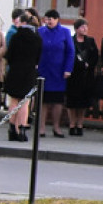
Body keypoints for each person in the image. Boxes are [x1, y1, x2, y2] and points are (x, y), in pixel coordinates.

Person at [4, 11, 42, 142]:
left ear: (24, 23)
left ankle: (12, 129)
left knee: (14, 100)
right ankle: (21, 129)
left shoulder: (16, 36)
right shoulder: (37, 38)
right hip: (29, 71)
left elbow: (9, 55)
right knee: (25, 101)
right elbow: (38, 57)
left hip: (15, 70)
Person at [37, 9, 74, 138]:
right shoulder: (41, 32)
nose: (50, 21)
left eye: (52, 18)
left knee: (57, 101)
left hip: (59, 72)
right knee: (43, 101)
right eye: (47, 19)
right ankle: (41, 128)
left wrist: (68, 69)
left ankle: (56, 127)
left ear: (57, 19)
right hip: (43, 70)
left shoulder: (65, 32)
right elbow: (36, 48)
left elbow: (70, 51)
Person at [65, 18, 99, 136]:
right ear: (76, 29)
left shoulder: (90, 41)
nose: (85, 29)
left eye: (86, 27)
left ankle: (80, 124)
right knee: (72, 102)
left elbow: (95, 56)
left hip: (86, 75)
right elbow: (68, 54)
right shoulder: (71, 40)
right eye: (82, 27)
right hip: (74, 75)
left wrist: (89, 64)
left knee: (83, 102)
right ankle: (72, 124)